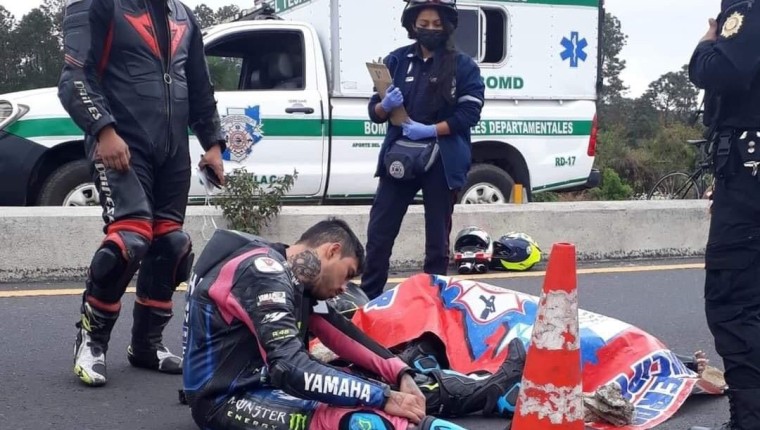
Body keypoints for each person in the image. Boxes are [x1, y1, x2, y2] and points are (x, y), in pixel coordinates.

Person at [181, 218, 526, 430]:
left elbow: (341, 333)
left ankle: (492, 392)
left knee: (394, 386)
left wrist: (399, 375)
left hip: (265, 383)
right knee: (370, 420)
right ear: (331, 251)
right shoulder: (263, 271)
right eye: (347, 274)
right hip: (227, 400)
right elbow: (290, 368)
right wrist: (383, 397)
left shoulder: (290, 273)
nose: (345, 288)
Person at [57, 0, 226, 387]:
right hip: (120, 144)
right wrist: (103, 130)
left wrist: (213, 144)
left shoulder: (183, 16)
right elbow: (74, 76)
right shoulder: (99, 5)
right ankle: (91, 342)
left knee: (173, 245)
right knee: (129, 240)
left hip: (172, 151)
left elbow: (200, 86)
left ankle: (147, 345)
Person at [361, 0, 486, 300]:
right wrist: (384, 105)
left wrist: (430, 130)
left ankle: (433, 301)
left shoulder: (463, 66)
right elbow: (374, 112)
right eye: (424, 24)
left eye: (437, 25)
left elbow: (469, 114)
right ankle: (369, 298)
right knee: (379, 232)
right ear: (412, 26)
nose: (430, 29)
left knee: (436, 242)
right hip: (400, 156)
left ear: (447, 27)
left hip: (442, 160)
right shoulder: (396, 60)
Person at [688, 2, 760, 429]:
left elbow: (724, 71)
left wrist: (705, 45)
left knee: (733, 301)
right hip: (745, 173)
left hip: (749, 172)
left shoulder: (749, 7)